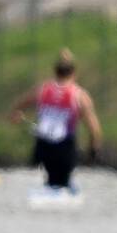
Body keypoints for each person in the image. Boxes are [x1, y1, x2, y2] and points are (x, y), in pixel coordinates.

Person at [10, 48, 102, 193]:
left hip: (42, 147)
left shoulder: (42, 89)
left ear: (55, 72)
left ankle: (52, 187)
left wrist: (16, 114)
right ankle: (63, 188)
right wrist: (93, 151)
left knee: (51, 178)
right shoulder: (80, 96)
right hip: (64, 147)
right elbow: (94, 130)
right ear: (74, 73)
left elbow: (19, 106)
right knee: (63, 179)